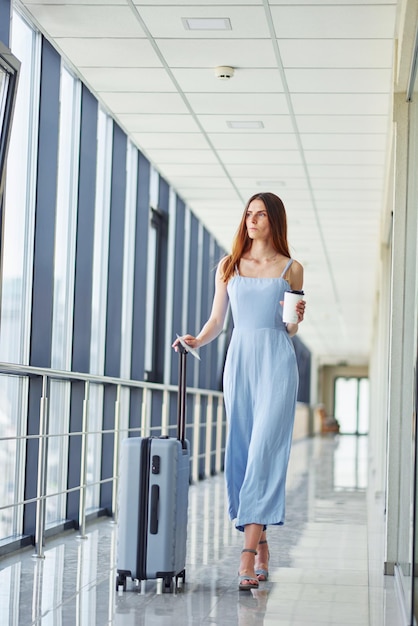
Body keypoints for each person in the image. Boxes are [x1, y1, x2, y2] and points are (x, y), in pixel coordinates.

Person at [173, 192, 306, 591]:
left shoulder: (291, 268)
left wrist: (298, 317)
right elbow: (217, 320)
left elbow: (290, 328)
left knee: (265, 451)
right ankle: (262, 544)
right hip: (240, 363)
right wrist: (197, 339)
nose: (252, 220)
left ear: (275, 221)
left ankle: (246, 555)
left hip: (277, 363)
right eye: (249, 214)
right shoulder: (229, 267)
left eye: (261, 215)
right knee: (243, 454)